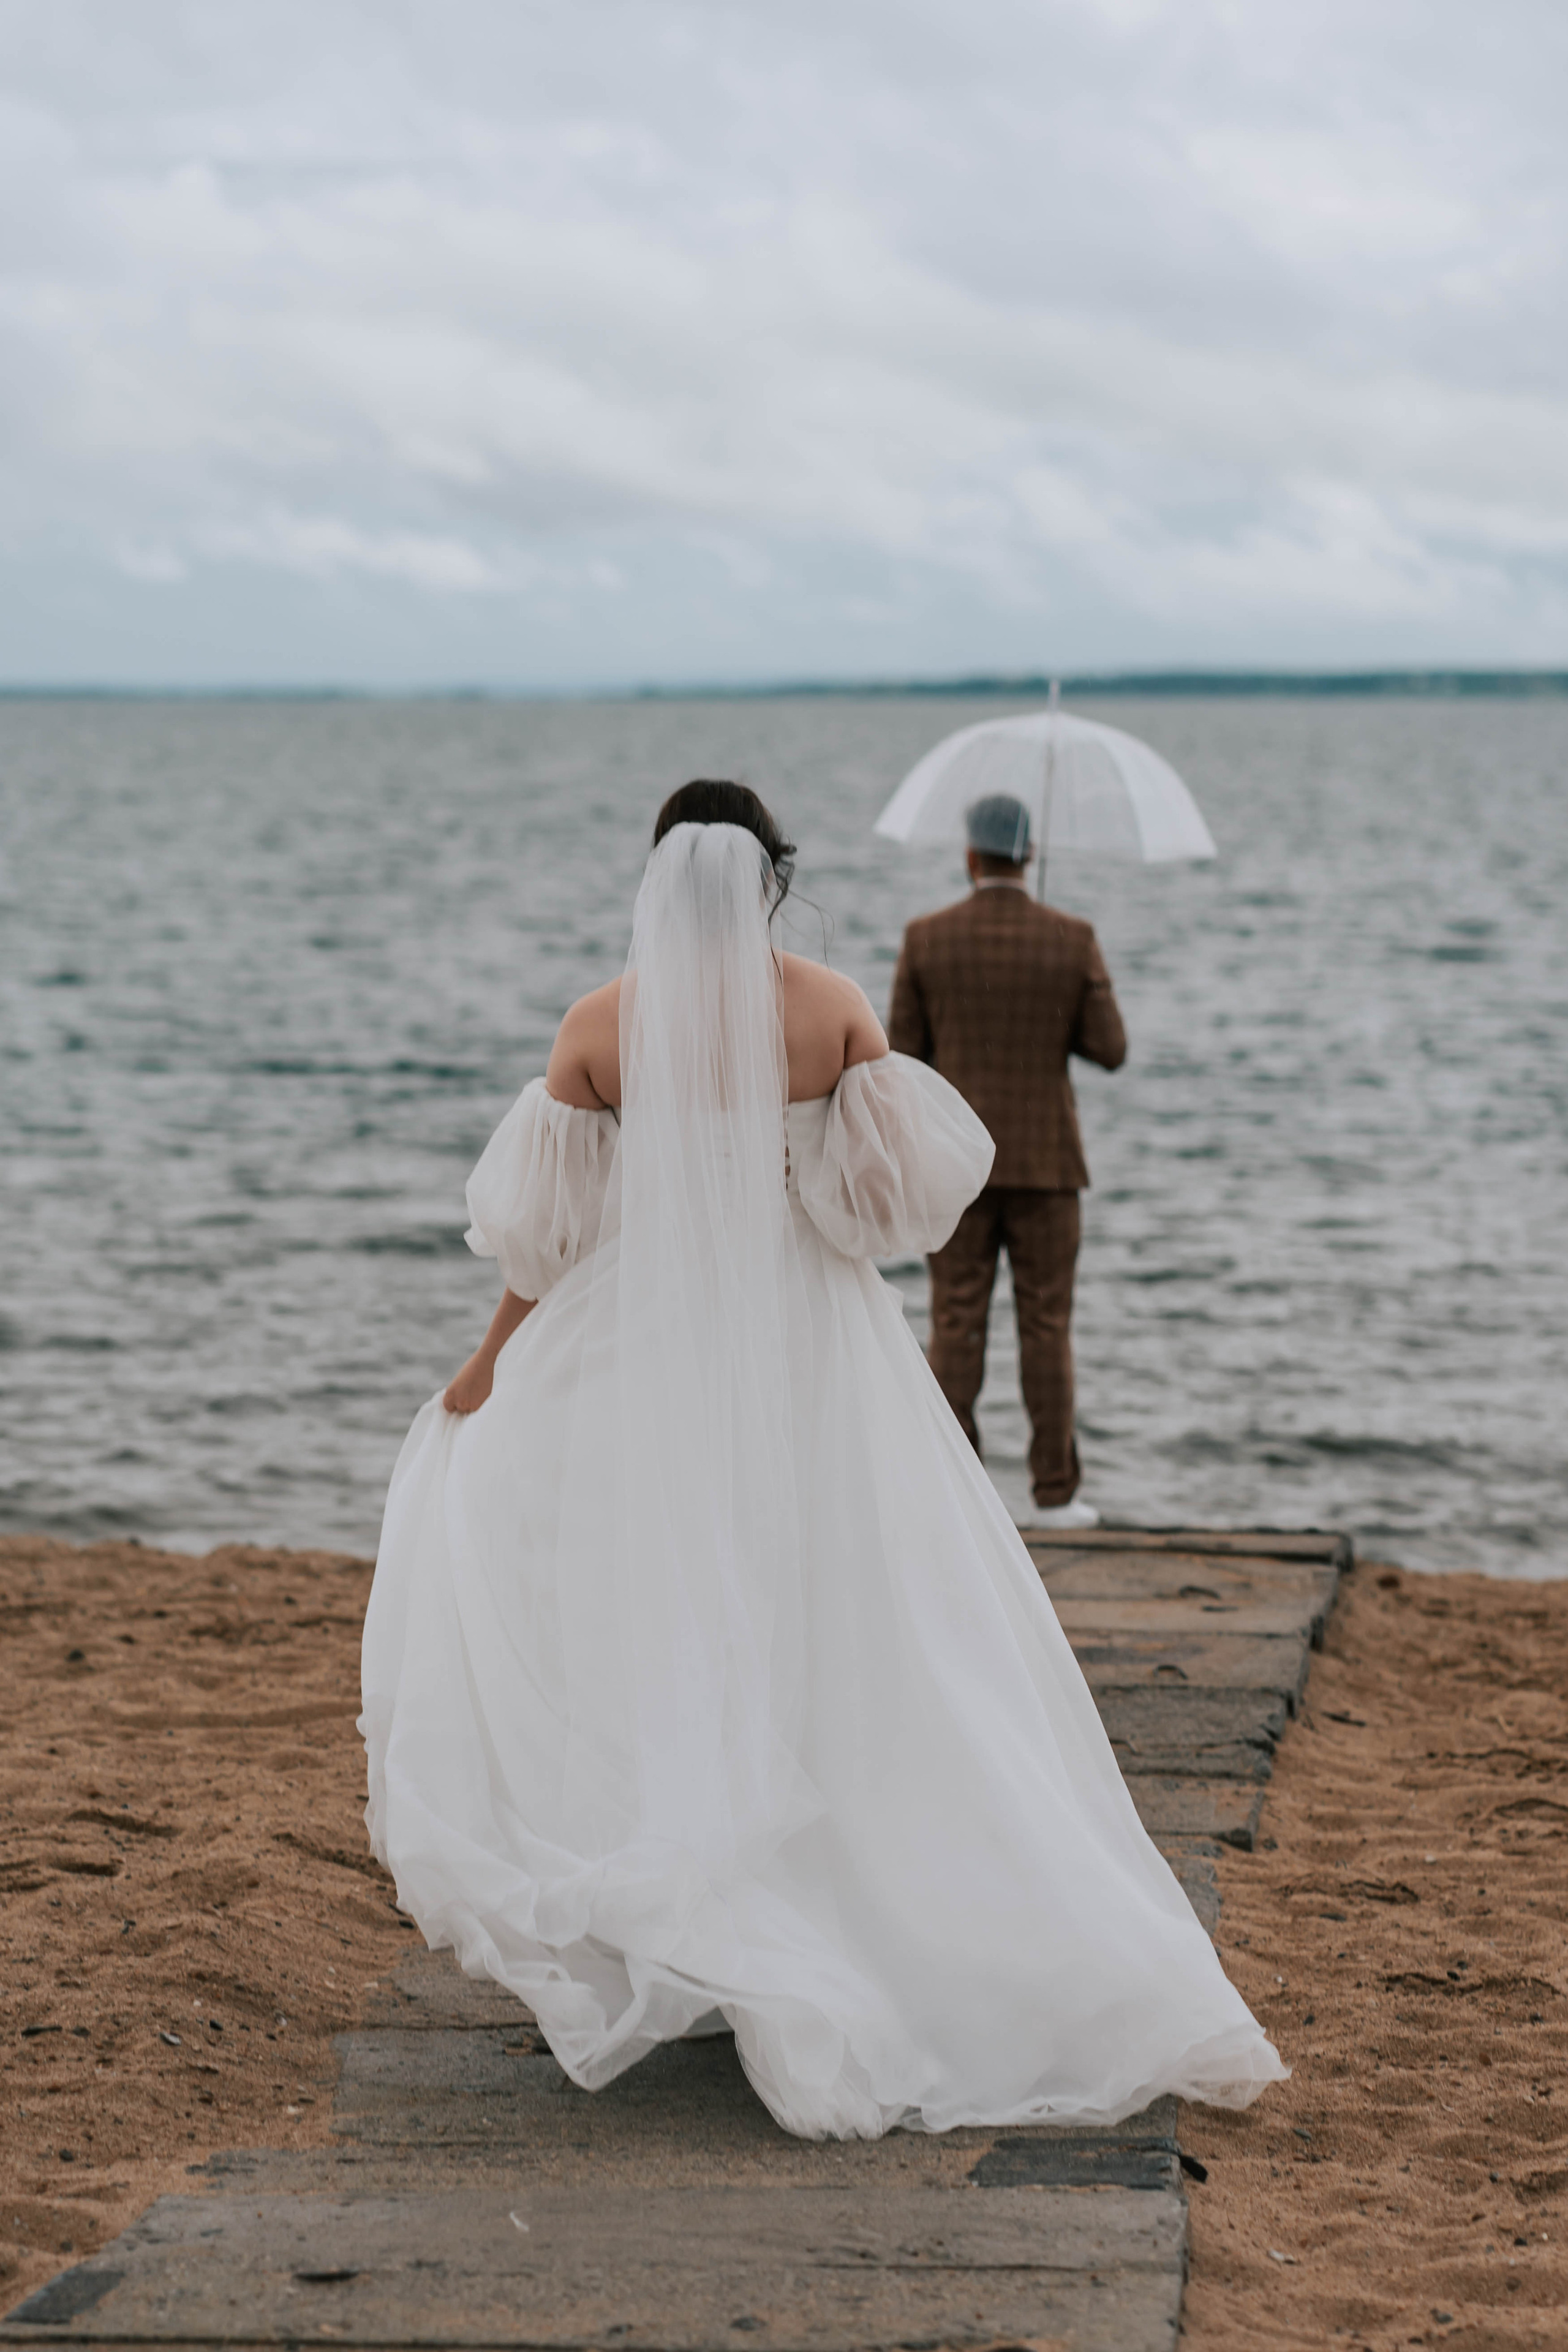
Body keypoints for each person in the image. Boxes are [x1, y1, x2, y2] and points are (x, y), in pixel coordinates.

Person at [360, 779, 1283, 2140]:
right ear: (770, 883)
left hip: (649, 1348)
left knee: (659, 1605)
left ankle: (699, 1914)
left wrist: (488, 1361)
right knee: (852, 1612)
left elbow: (546, 1247)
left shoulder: (598, 1029)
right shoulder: (831, 1008)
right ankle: (833, 1907)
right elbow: (882, 1217)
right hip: (811, 1345)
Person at [888, 793, 1126, 1528]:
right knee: (1046, 1326)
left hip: (956, 1168)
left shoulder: (927, 938)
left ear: (970, 855)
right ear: (1028, 856)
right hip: (1050, 1167)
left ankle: (954, 1492)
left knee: (955, 1320)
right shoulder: (1072, 936)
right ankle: (1054, 1493)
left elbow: (900, 1057)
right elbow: (1110, 1049)